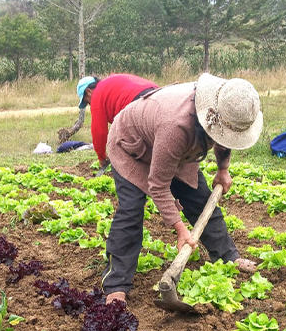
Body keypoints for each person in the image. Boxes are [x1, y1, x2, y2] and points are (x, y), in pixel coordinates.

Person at [101, 73, 262, 303]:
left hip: (175, 149)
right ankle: (116, 284)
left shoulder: (224, 109)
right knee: (131, 210)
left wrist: (223, 169)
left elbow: (225, 136)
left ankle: (228, 256)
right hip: (132, 146)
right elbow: (158, 185)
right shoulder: (176, 126)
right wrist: (180, 229)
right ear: (211, 117)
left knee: (200, 198)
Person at [77, 74, 159, 170]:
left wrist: (101, 157)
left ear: (89, 91)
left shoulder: (97, 95)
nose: (90, 104)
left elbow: (99, 131)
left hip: (138, 102)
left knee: (127, 146)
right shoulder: (109, 83)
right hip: (157, 94)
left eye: (87, 102)